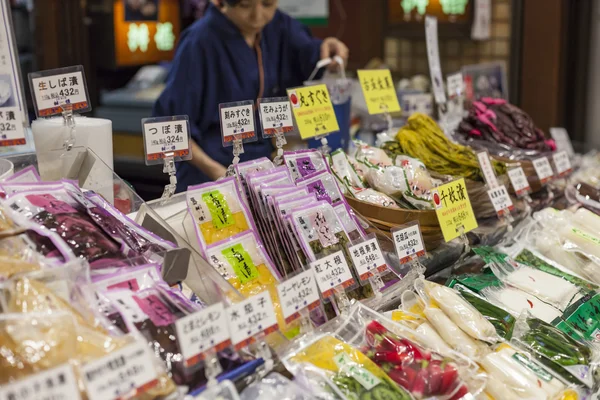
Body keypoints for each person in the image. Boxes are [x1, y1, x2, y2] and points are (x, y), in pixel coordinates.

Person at [153, 0, 348, 192]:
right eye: (245, 6)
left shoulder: (277, 25)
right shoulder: (198, 41)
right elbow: (170, 125)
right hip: (208, 173)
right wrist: (219, 173)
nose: (257, 16)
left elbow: (308, 52)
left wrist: (327, 49)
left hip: (259, 168)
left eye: (268, 4)